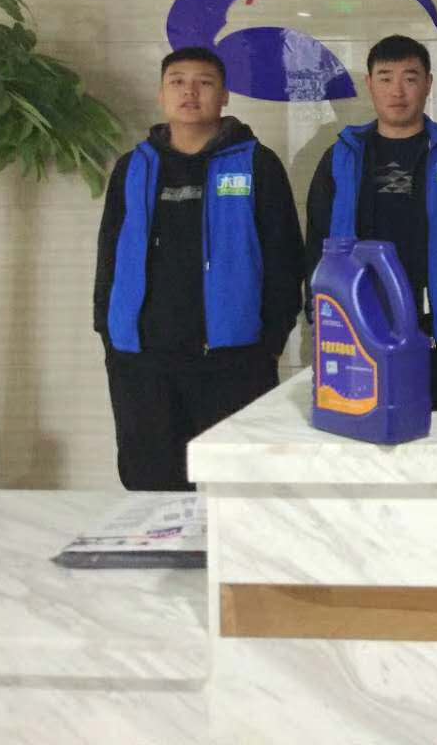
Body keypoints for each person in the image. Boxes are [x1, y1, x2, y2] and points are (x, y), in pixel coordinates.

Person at [94, 47, 304, 491]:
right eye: (177, 82)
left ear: (224, 95)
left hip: (234, 361)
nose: (190, 92)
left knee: (237, 485)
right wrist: (108, 334)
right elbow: (108, 254)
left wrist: (269, 343)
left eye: (204, 82)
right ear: (161, 94)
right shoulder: (133, 167)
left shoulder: (256, 164)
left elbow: (285, 258)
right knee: (151, 483)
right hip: (142, 363)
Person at [303, 34, 437, 411]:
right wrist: (319, 313)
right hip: (357, 324)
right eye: (386, 77)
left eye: (410, 78)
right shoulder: (341, 156)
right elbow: (317, 243)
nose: (397, 91)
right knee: (360, 427)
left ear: (428, 84)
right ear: (369, 84)